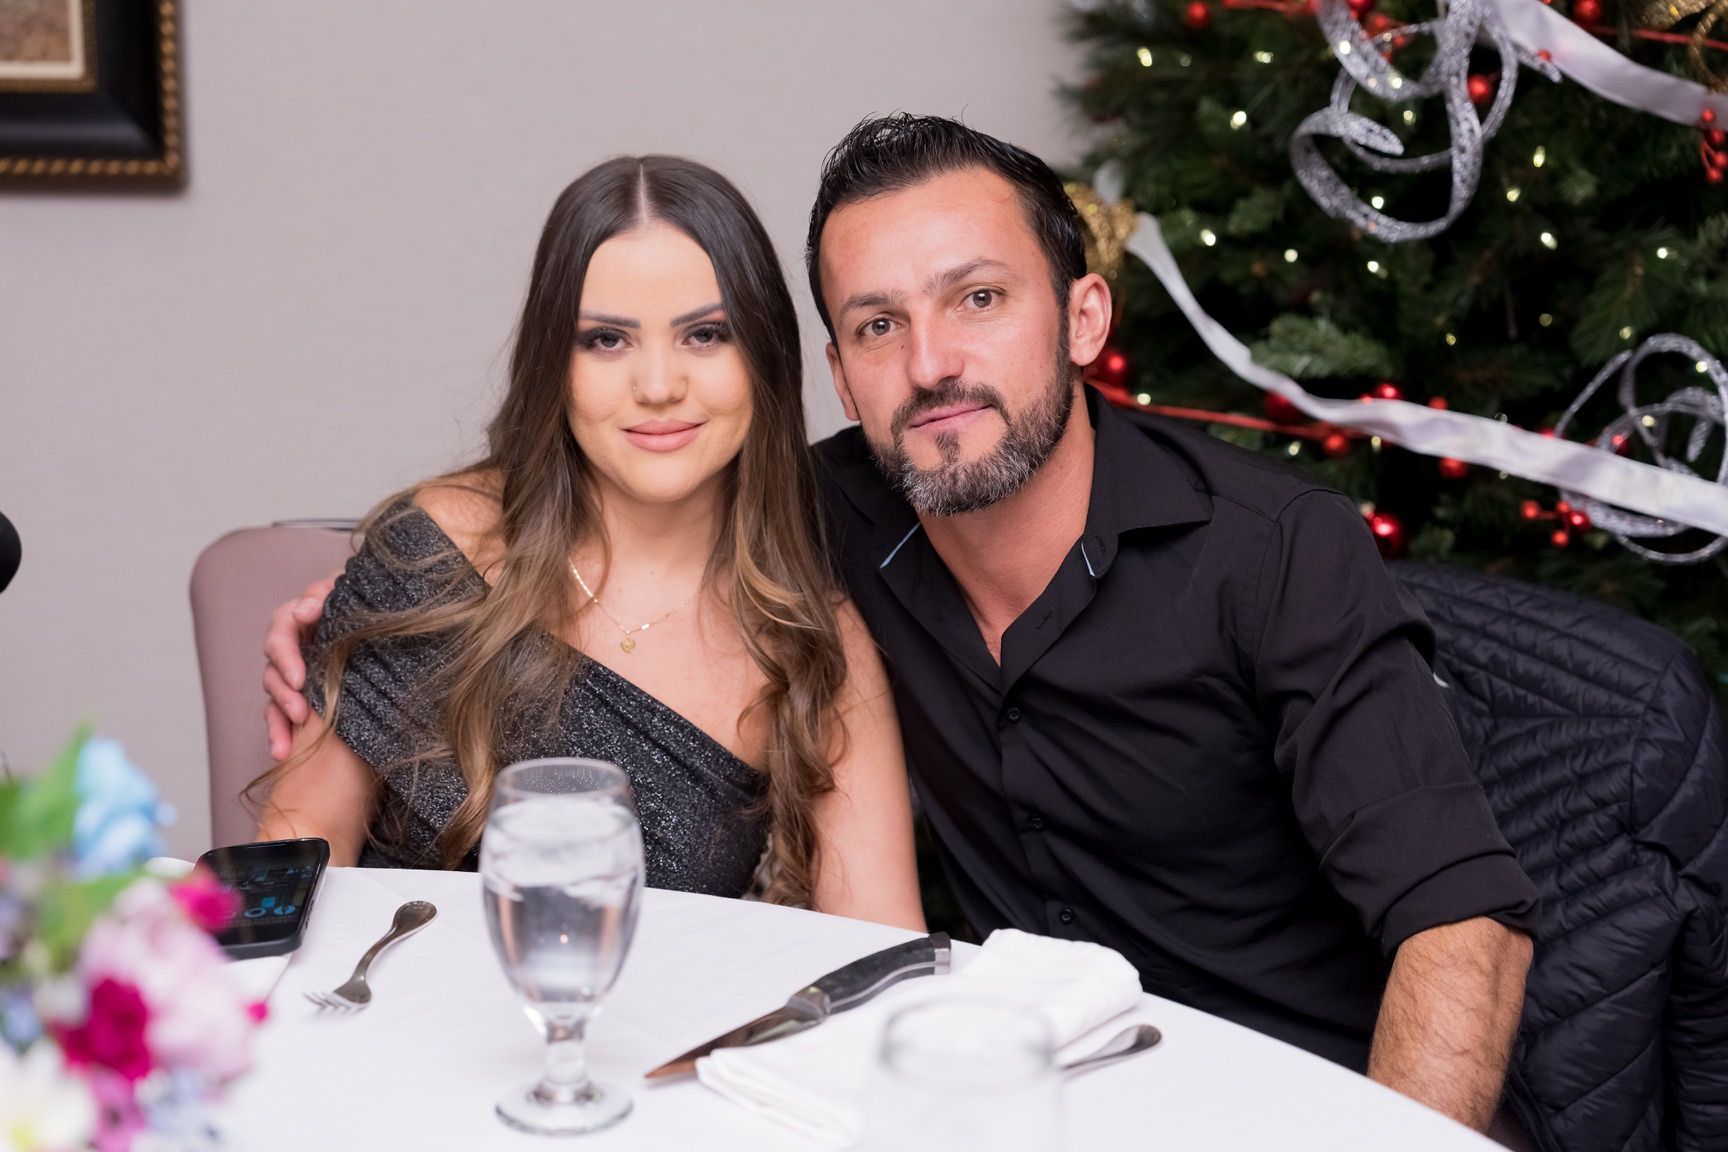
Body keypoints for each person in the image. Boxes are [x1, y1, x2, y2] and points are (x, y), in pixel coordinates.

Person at [264, 118, 1537, 1132]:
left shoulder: (1273, 552)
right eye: (880, 324)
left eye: (978, 299)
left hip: (1292, 1098)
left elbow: (1463, 930)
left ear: (1084, 319)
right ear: (836, 370)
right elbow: (615, 492)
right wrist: (366, 613)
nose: (931, 364)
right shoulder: (812, 526)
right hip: (1012, 1100)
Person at [251, 155, 924, 930]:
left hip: (639, 1013)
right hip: (380, 996)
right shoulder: (435, 549)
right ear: (554, 364)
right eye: (607, 340)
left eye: (706, 334)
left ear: (764, 357)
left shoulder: (812, 638)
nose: (659, 386)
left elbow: (882, 947)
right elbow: (293, 854)